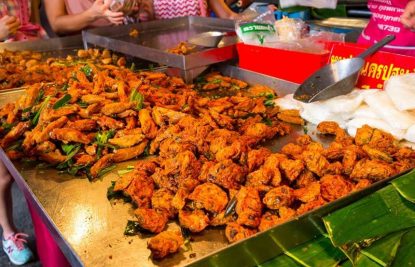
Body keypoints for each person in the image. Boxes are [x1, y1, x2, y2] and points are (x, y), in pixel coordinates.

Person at [44, 0, 126, 35]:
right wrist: (92, 14)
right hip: (80, 51)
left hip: (117, 41)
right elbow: (56, 24)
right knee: (88, 71)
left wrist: (128, 9)